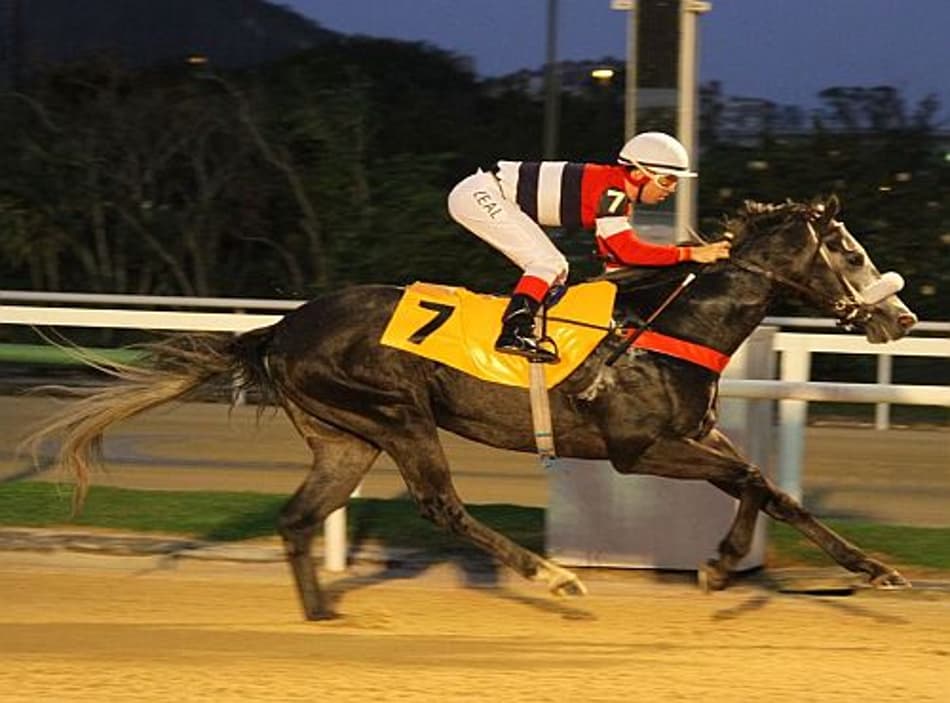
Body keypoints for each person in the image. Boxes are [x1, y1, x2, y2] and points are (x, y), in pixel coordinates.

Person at [447, 131, 731, 362]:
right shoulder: (613, 192)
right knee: (548, 264)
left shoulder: (616, 194)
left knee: (558, 269)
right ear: (638, 174)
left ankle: (529, 326)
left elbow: (615, 265)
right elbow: (627, 251)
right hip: (480, 194)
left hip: (484, 192)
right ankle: (513, 332)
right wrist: (690, 253)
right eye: (667, 180)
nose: (671, 189)